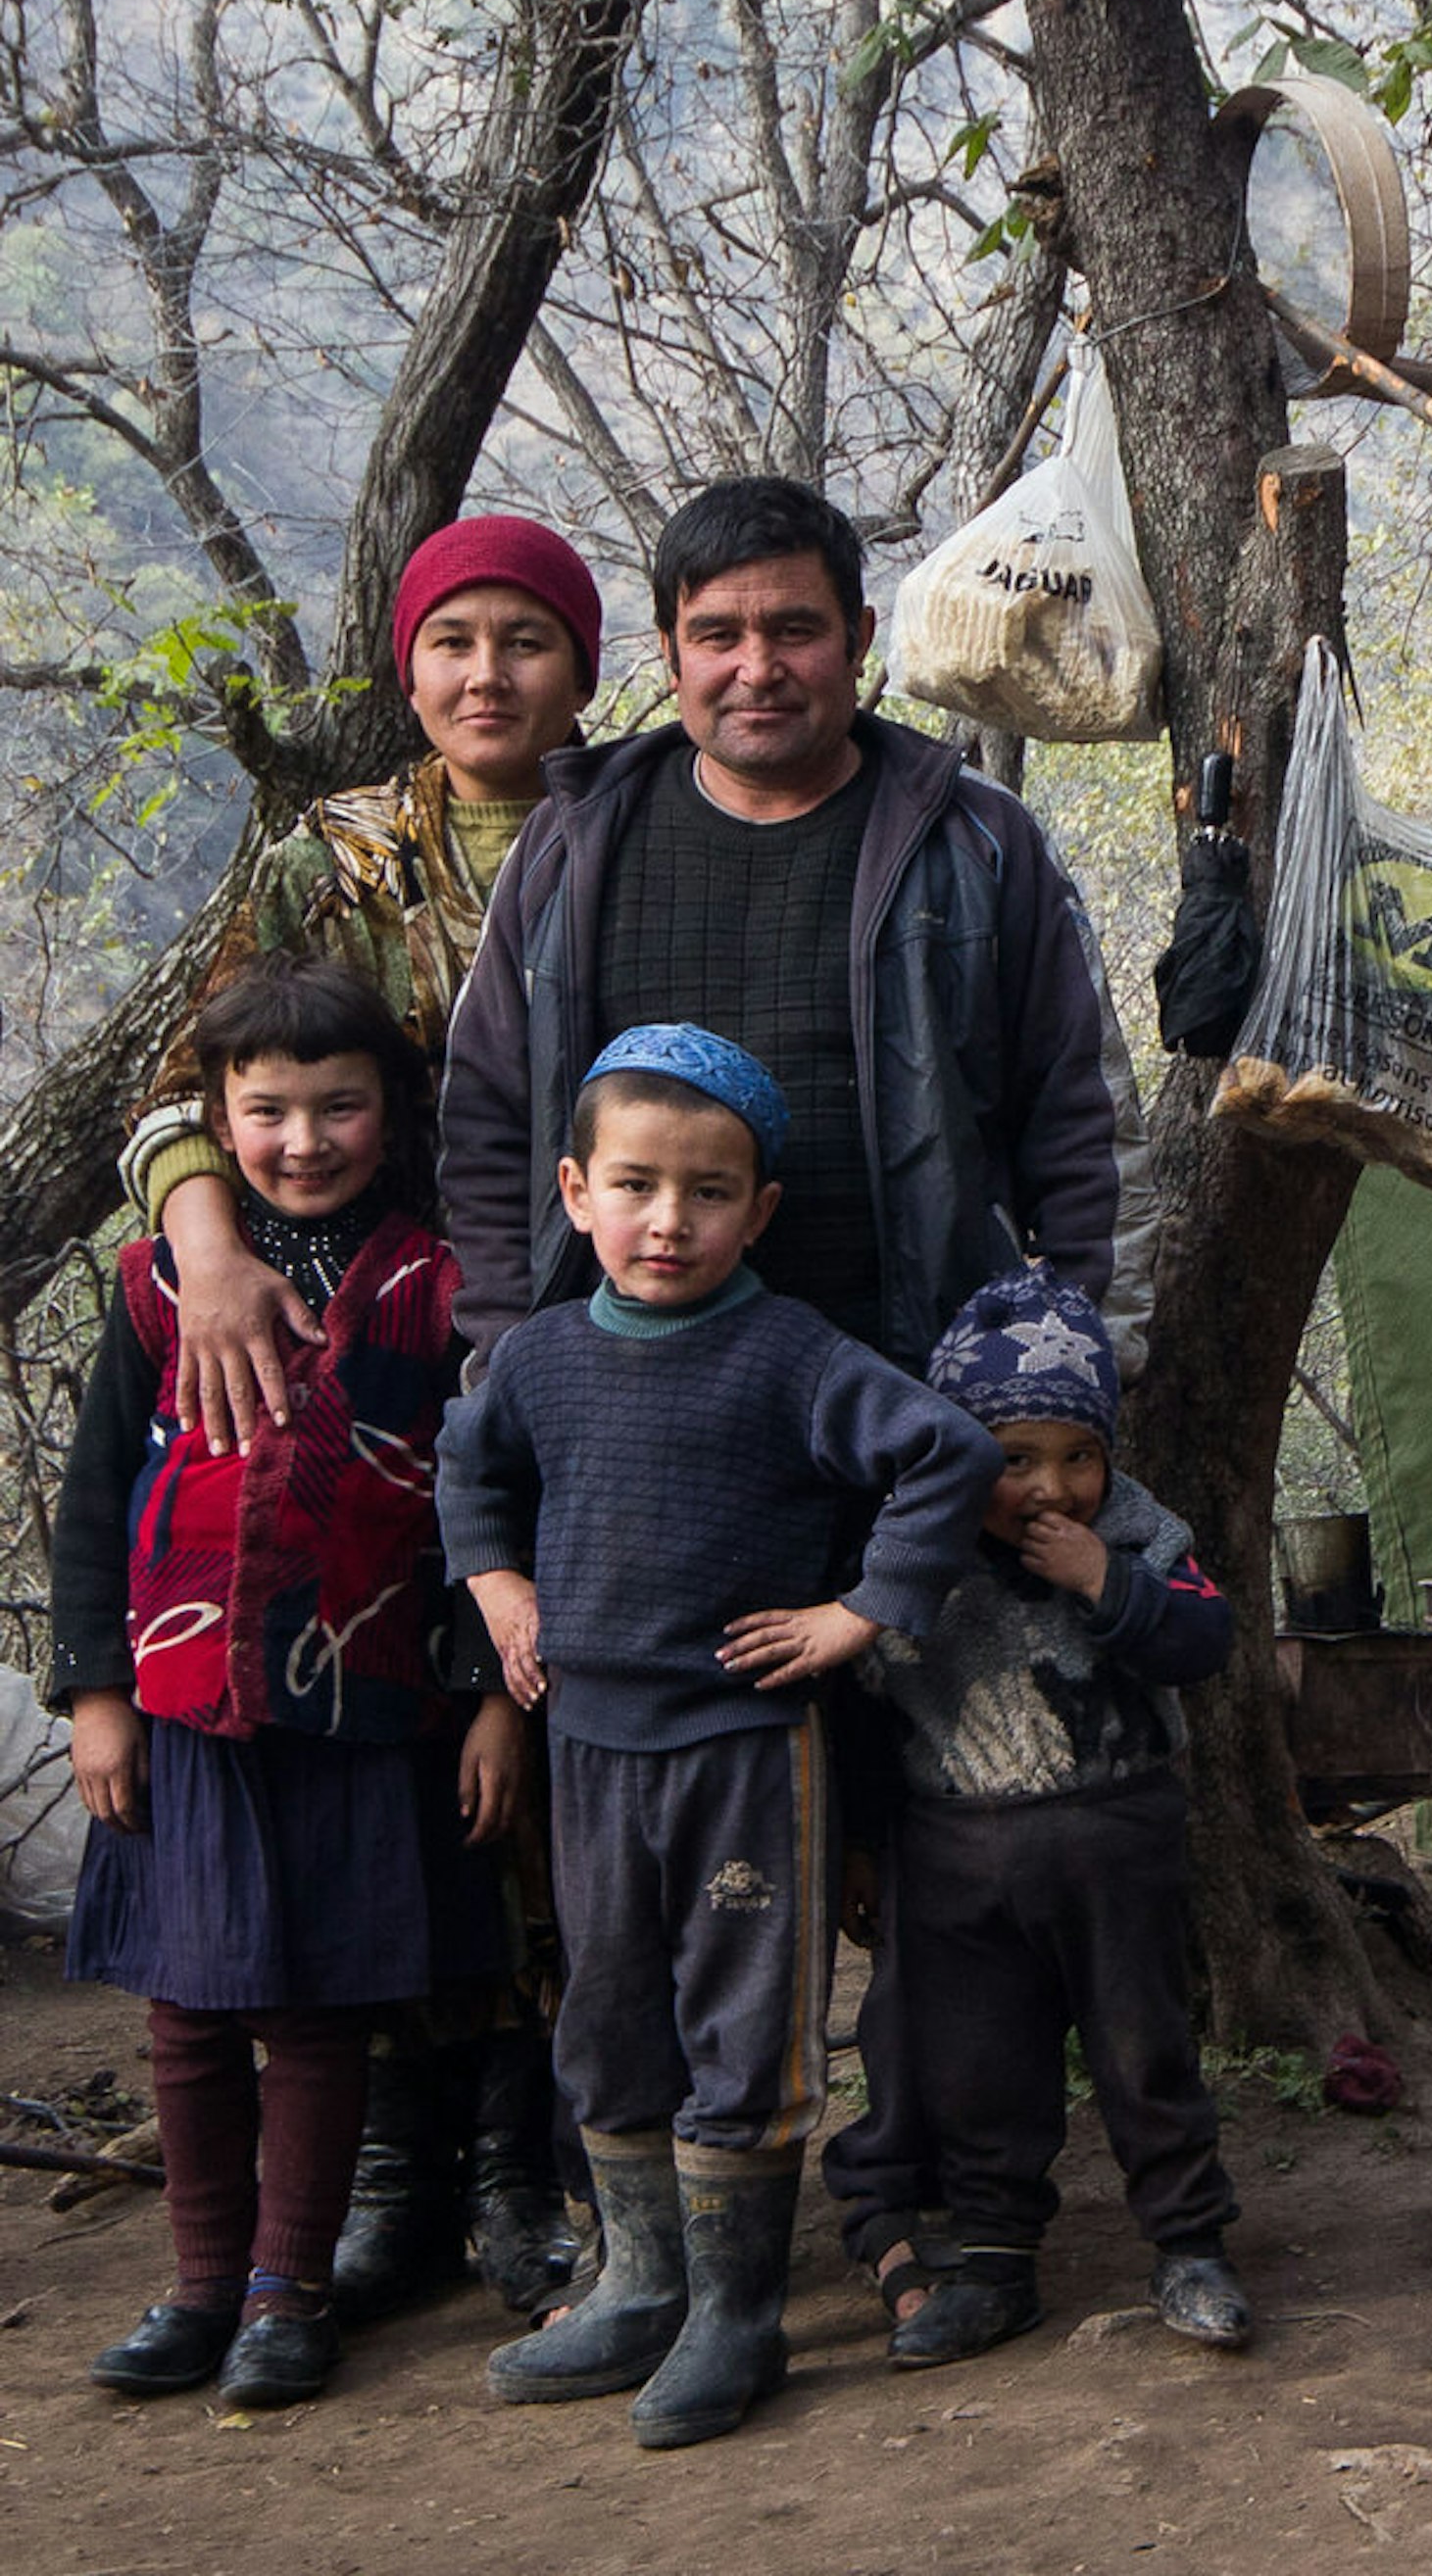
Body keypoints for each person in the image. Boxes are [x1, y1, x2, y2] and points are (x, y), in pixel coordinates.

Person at [117, 512, 604, 2324]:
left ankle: (526, 2157)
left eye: (527, 642)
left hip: (587, 1340)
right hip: (377, 1343)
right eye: (455, 641)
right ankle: (397, 2161)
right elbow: (191, 1086)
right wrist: (211, 1247)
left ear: (584, 662)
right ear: (408, 666)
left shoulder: (628, 830)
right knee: (393, 1744)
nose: (490, 675)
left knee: (533, 1735)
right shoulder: (332, 856)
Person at [436, 1026, 1001, 2450]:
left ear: (760, 1212)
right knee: (609, 2009)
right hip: (590, 1752)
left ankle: (736, 2315)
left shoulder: (793, 1354)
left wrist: (862, 1610)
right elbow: (469, 1464)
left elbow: (948, 1454)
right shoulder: (540, 1358)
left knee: (744, 2021)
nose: (667, 1220)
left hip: (750, 1755)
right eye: (635, 1186)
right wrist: (498, 1581)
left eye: (707, 1191)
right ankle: (640, 2284)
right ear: (574, 1192)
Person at [52, 956, 522, 2410]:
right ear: (214, 1114)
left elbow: (489, 1510)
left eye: (340, 1106)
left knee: (315, 2012)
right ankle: (199, 2284)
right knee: (187, 2016)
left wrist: (497, 1695)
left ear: (396, 1111)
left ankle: (285, 2293)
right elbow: (88, 1505)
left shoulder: (445, 1292)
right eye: (267, 1111)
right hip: (186, 1709)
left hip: (365, 1708)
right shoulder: (158, 1286)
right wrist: (94, 1694)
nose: (304, 1139)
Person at [438, 475, 1150, 1377]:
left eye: (794, 629)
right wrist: (518, 1358)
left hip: (921, 1401)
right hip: (618, 1404)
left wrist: (1069, 1374)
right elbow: (487, 1128)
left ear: (857, 640)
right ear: (669, 653)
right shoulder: (572, 846)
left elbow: (1085, 1126)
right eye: (717, 636)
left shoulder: (973, 841)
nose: (757, 668)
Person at [825, 1267, 1251, 2370]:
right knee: (978, 2071)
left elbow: (1203, 1642)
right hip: (958, 1858)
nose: (1050, 1488)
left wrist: (1106, 1578)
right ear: (962, 1455)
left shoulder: (1143, 1537)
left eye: (1078, 1456)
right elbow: (866, 1709)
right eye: (1013, 1460)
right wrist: (865, 1846)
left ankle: (1191, 2245)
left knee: (1144, 2052)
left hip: (1120, 1842)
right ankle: (996, 2262)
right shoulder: (913, 1557)